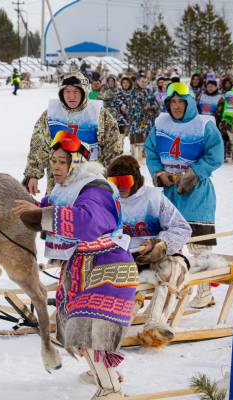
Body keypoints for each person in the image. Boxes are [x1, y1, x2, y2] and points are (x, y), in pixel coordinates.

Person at [13, 131, 137, 400]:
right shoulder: (69, 188)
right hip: (85, 267)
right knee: (80, 331)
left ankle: (111, 391)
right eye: (53, 161)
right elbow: (54, 205)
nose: (55, 167)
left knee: (92, 332)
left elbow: (88, 222)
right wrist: (34, 207)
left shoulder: (95, 189)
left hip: (107, 267)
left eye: (61, 162)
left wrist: (40, 215)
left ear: (76, 163)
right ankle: (105, 374)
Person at [144, 81, 224, 309]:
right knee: (170, 246)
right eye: (173, 102)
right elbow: (151, 152)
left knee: (199, 247)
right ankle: (175, 290)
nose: (177, 106)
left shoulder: (204, 124)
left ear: (189, 102)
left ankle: (204, 293)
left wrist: (192, 174)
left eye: (181, 102)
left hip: (197, 194)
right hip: (169, 195)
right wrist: (159, 173)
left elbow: (214, 155)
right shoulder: (160, 124)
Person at [106, 156, 191, 347]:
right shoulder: (109, 202)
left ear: (136, 179)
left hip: (157, 254)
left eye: (125, 181)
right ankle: (114, 324)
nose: (120, 187)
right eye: (114, 182)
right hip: (126, 258)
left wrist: (162, 245)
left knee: (173, 269)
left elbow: (181, 228)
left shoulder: (154, 198)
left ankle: (155, 323)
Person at [22, 71, 123, 195]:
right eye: (67, 92)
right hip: (58, 182)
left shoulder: (99, 114)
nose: (71, 96)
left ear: (84, 92)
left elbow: (113, 148)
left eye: (76, 92)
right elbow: (38, 146)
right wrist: (33, 175)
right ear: (61, 93)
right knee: (58, 213)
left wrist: (111, 176)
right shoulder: (51, 114)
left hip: (91, 180)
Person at [128, 75, 158, 162]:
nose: (144, 83)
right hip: (136, 121)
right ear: (137, 82)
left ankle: (143, 158)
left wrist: (151, 107)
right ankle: (137, 160)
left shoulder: (149, 91)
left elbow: (155, 104)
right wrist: (146, 108)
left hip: (147, 121)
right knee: (137, 141)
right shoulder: (133, 92)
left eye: (146, 82)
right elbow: (134, 106)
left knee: (146, 141)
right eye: (142, 81)